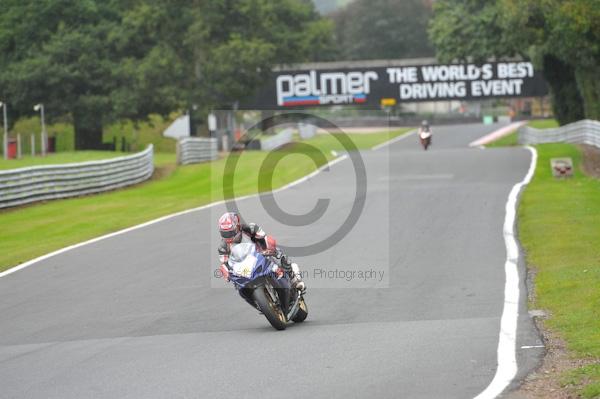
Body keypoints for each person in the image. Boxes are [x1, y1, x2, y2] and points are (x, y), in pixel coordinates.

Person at [217, 212, 306, 293]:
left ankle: (294, 278)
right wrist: (227, 272)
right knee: (237, 285)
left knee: (279, 254)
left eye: (230, 232)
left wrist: (268, 248)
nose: (228, 236)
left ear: (237, 226)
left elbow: (264, 238)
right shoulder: (223, 247)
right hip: (243, 266)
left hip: (261, 254)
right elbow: (225, 263)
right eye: (224, 233)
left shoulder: (250, 228)